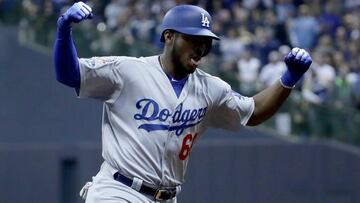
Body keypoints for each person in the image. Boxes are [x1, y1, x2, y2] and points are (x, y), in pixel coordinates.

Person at [53, 2, 312, 203]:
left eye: (205, 42)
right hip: (119, 190)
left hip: (167, 195)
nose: (200, 47)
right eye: (193, 39)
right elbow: (70, 74)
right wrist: (64, 32)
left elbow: (253, 112)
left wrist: (288, 79)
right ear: (169, 37)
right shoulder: (128, 70)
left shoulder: (211, 88)